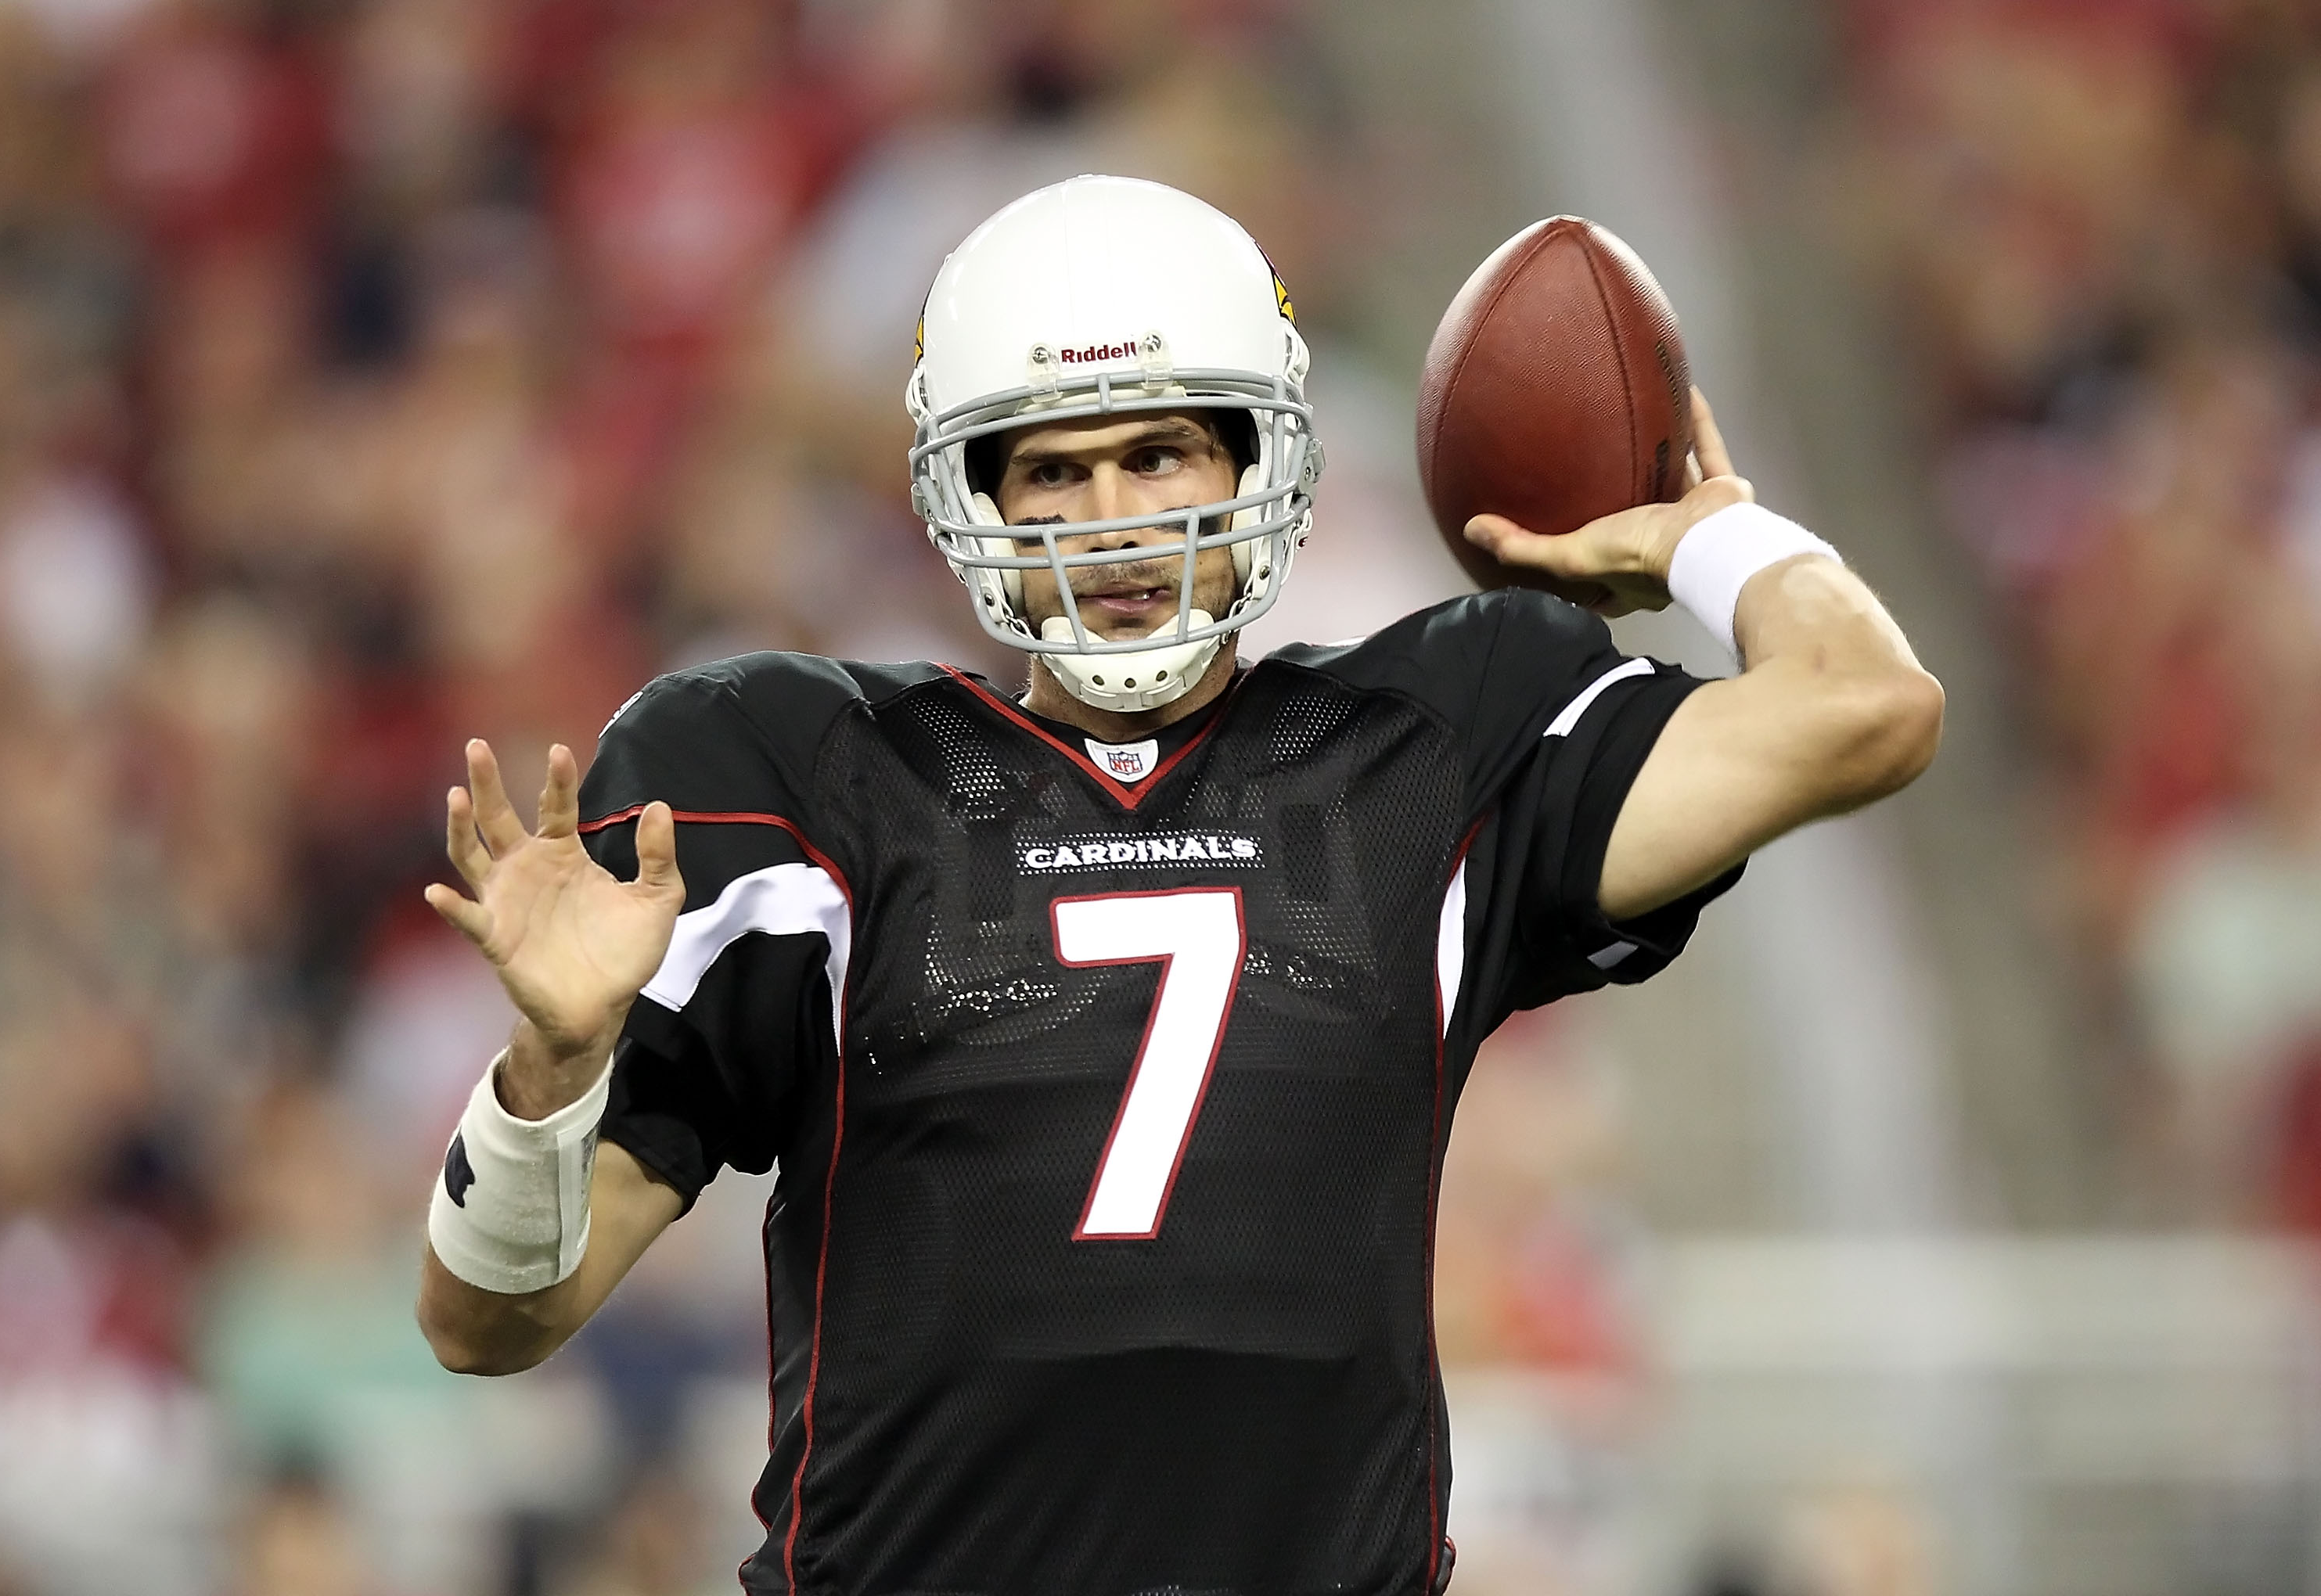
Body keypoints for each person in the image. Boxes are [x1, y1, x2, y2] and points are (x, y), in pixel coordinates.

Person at [413, 176, 1943, 1595]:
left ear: (1255, 456)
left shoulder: (1429, 743)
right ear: (975, 499)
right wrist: (548, 1068)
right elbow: (487, 1325)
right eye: (1057, 471)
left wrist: (1713, 537)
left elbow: (1866, 708)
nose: (1116, 520)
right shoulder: (809, 776)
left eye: (1159, 452)